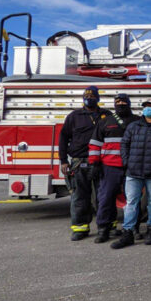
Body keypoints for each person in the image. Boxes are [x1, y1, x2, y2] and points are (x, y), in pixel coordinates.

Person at [111, 99, 151, 249]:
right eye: (145, 106)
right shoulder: (134, 126)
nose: (147, 109)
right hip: (133, 172)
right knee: (131, 203)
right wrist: (126, 161)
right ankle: (128, 233)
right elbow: (124, 144)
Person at [88, 93, 139, 243]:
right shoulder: (105, 122)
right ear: (114, 105)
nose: (121, 104)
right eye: (118, 102)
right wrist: (94, 163)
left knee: (132, 200)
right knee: (105, 199)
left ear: (129, 103)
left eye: (124, 102)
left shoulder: (138, 121)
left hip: (131, 166)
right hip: (110, 167)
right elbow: (95, 143)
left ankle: (132, 228)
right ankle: (104, 229)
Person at [59, 85, 102, 241]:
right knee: (79, 196)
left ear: (98, 98)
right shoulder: (74, 116)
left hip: (100, 162)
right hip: (79, 162)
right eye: (86, 96)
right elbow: (63, 138)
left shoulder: (106, 115)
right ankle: (80, 228)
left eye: (92, 96)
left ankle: (105, 227)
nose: (89, 98)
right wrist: (63, 160)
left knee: (102, 196)